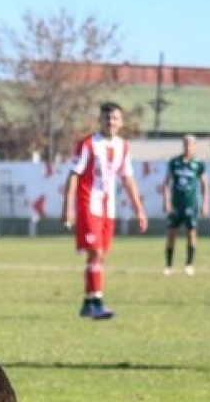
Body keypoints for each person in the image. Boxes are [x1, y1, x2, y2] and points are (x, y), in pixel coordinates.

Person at [62, 101, 148, 320]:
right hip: (88, 203)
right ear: (99, 120)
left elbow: (128, 179)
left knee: (99, 256)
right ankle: (97, 302)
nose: (111, 122)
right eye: (107, 118)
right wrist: (68, 208)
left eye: (115, 118)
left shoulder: (123, 146)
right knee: (96, 252)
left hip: (108, 208)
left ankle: (88, 302)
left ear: (121, 122)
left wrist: (139, 210)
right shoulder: (88, 144)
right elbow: (74, 175)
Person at [162, 135, 209, 276]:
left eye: (190, 144)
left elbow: (205, 185)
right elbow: (166, 184)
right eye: (185, 144)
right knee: (171, 234)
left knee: (191, 234)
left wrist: (205, 203)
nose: (188, 147)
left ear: (195, 146)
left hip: (191, 205)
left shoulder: (198, 164)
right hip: (176, 205)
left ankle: (189, 264)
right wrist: (166, 201)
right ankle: (168, 265)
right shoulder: (174, 162)